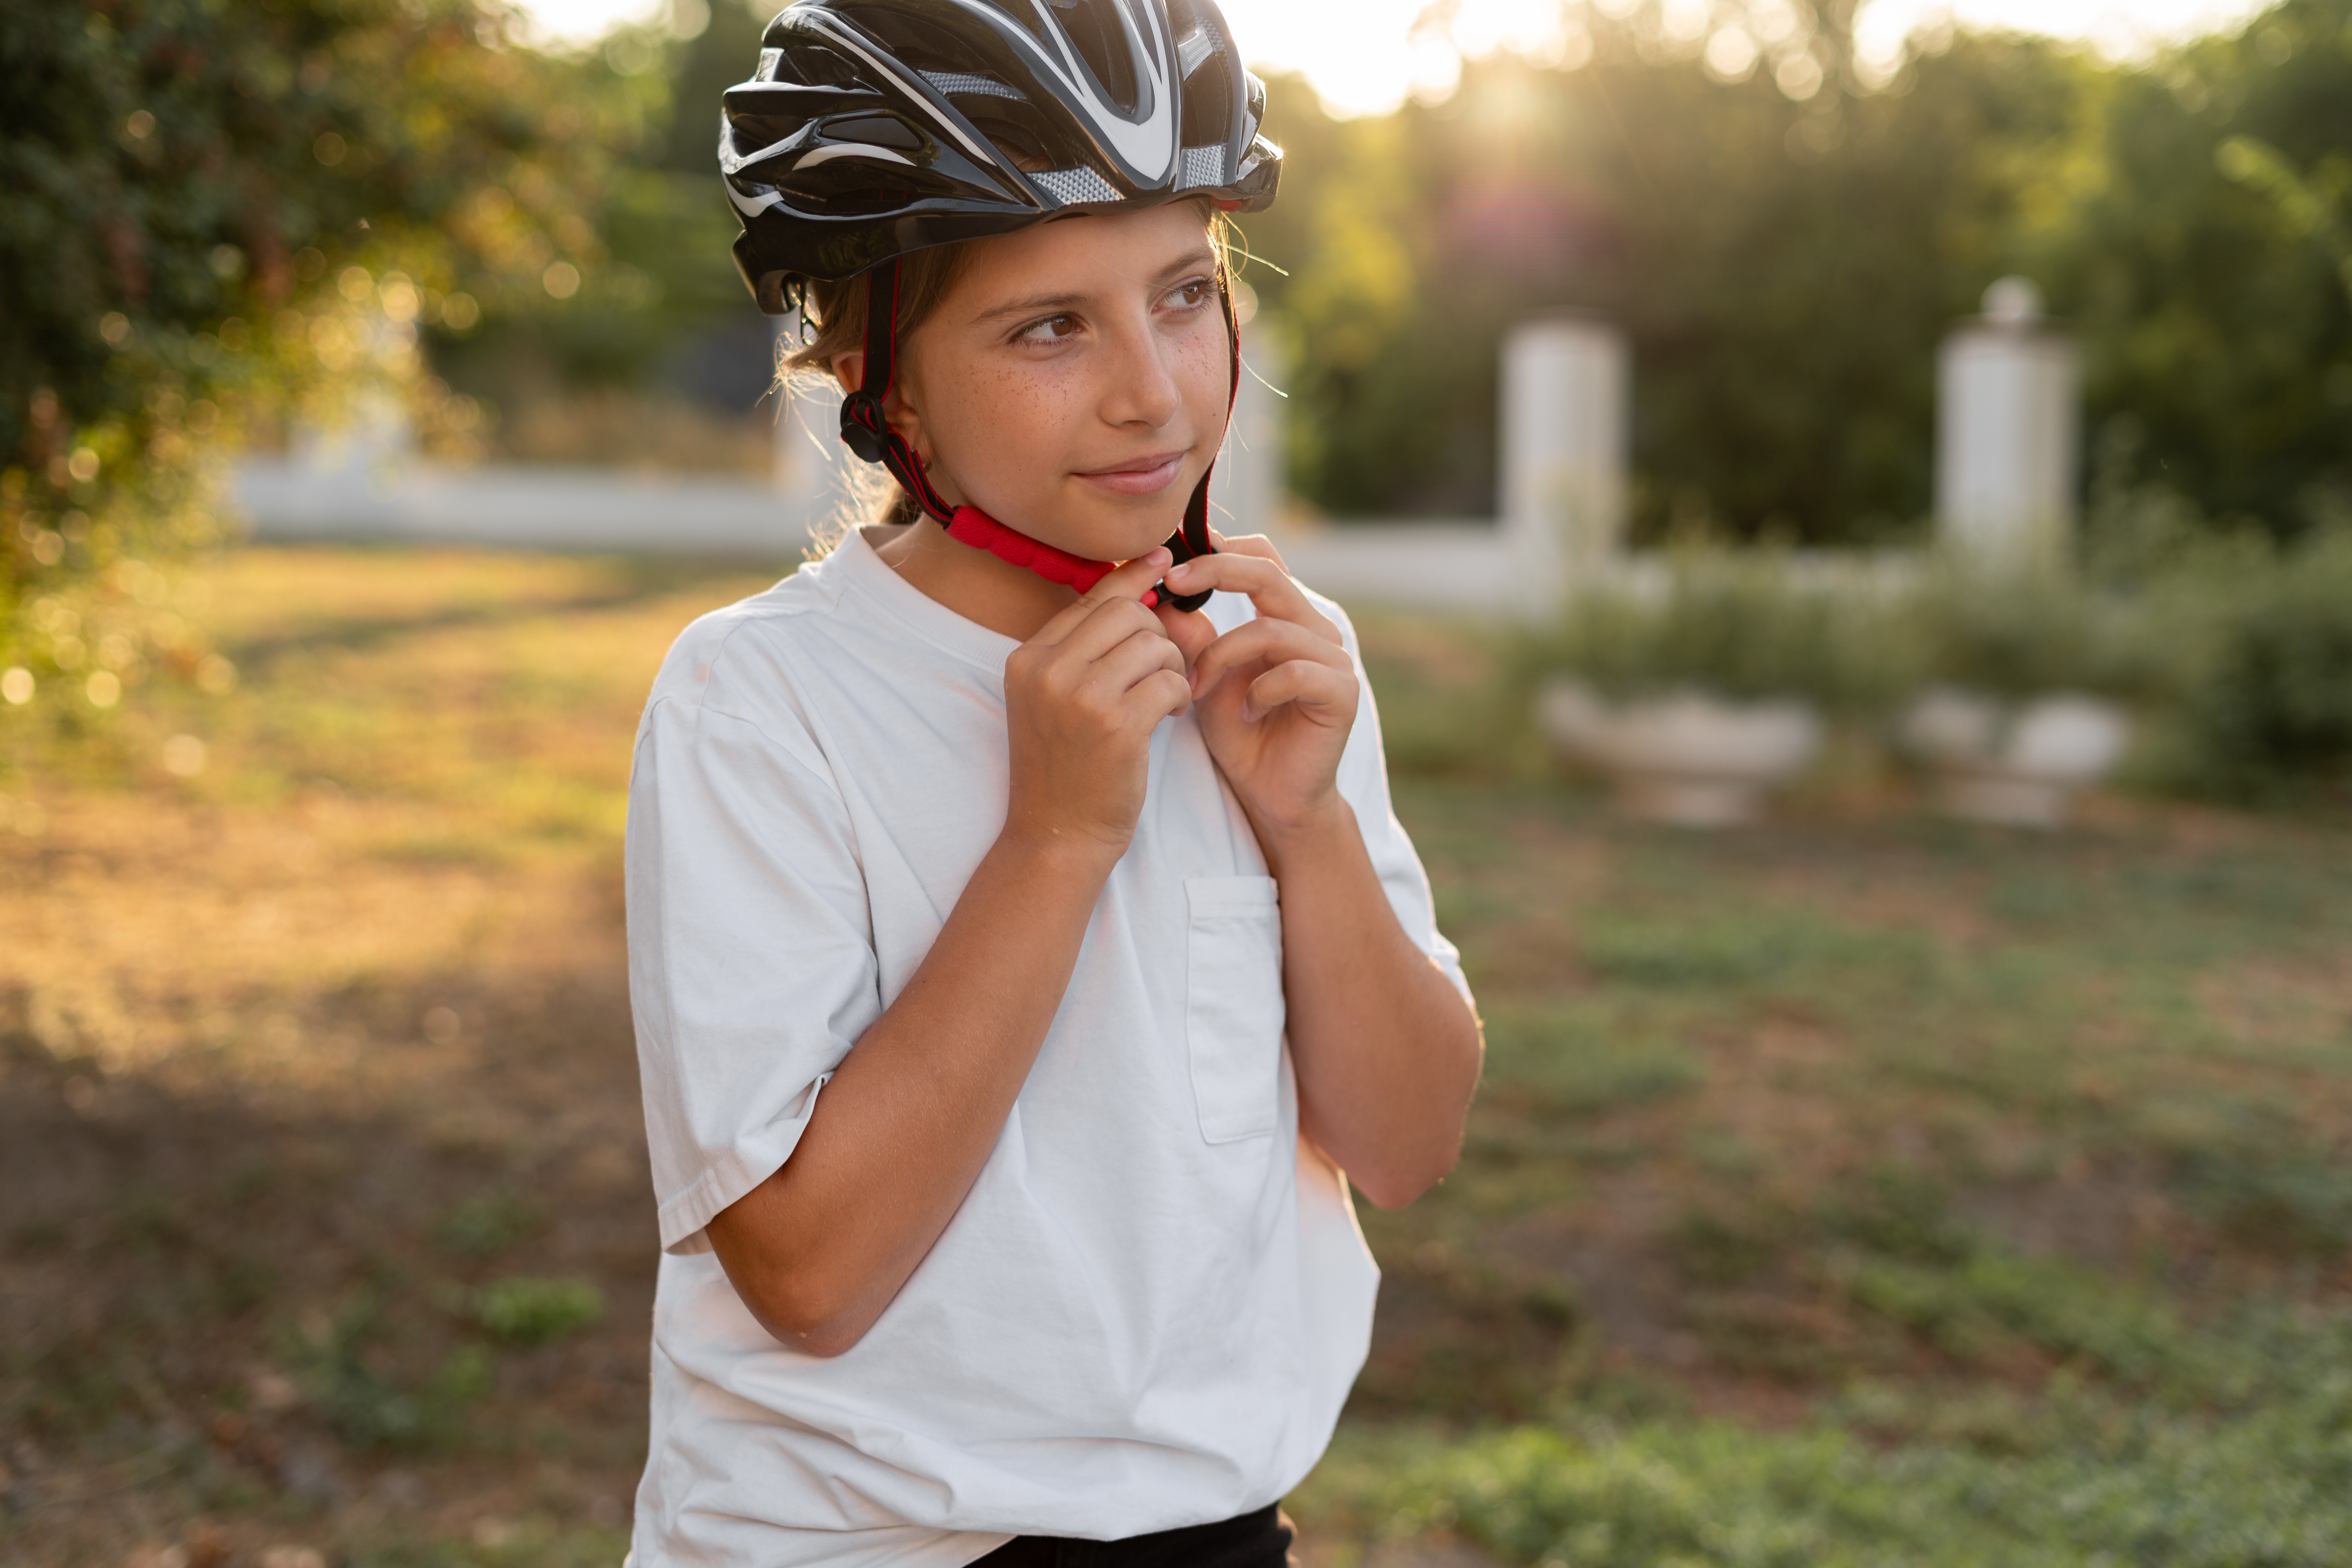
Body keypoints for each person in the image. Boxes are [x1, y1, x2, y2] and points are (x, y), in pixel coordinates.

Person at [623, 2, 1483, 1562]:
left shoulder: (1274, 658)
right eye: (1047, 328)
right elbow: (809, 1271)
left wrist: (1312, 829)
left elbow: (1411, 1146)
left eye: (1181, 294)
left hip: (1213, 1531)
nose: (1152, 390)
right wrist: (1057, 836)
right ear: (867, 371)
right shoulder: (762, 703)